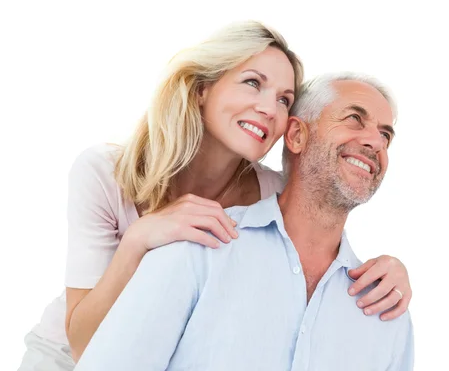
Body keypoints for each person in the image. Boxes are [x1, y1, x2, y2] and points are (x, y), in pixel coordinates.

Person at [18, 21, 412, 371]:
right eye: (253, 83)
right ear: (203, 87)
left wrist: (390, 269)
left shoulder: (269, 193)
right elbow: (85, 347)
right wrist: (139, 239)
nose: (268, 109)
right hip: (65, 353)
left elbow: (319, 215)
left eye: (283, 100)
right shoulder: (105, 172)